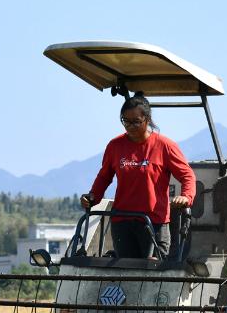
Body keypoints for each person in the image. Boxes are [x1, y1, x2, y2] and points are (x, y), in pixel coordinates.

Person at [81, 93, 196, 259]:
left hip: (154, 222)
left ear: (147, 119)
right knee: (126, 271)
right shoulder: (115, 146)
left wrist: (186, 197)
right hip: (122, 221)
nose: (130, 126)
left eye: (136, 121)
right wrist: (92, 197)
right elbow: (104, 176)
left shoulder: (165, 146)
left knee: (154, 270)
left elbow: (187, 175)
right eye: (125, 121)